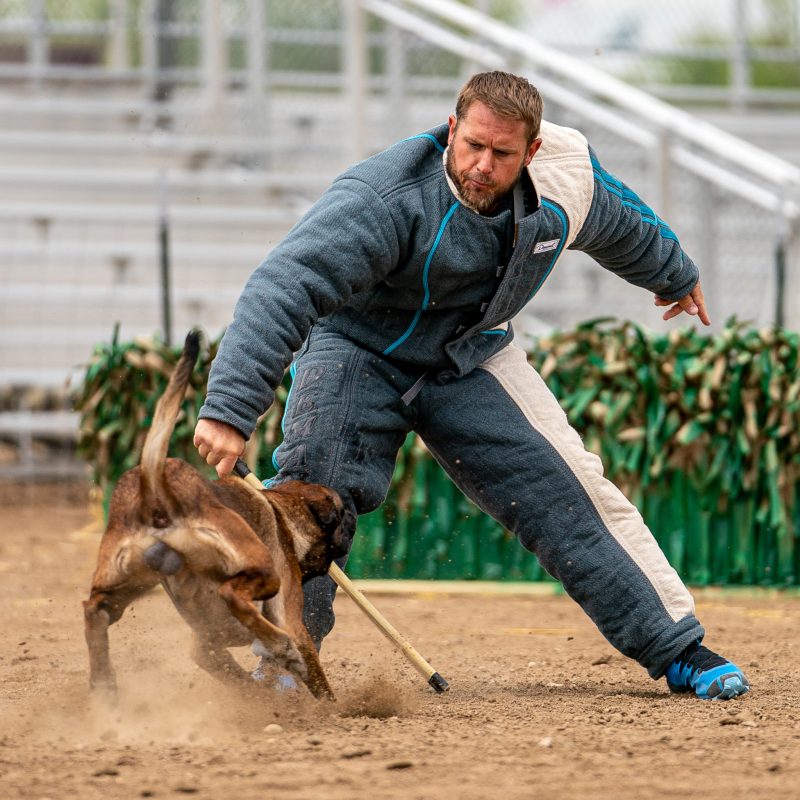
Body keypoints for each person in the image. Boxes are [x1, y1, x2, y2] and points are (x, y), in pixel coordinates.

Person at [193, 71, 749, 700]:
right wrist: (232, 407)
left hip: (473, 353)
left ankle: (677, 647)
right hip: (355, 349)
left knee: (567, 487)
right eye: (473, 146)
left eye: (503, 154)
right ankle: (285, 658)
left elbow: (621, 224)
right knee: (309, 497)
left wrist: (674, 275)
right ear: (452, 129)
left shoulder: (567, 179)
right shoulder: (382, 198)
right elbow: (285, 284)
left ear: (532, 152)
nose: (483, 166)